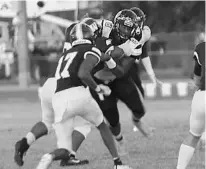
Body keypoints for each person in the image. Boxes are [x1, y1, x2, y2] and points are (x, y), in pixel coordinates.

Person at [14, 19, 125, 167]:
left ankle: (25, 142)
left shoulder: (72, 39)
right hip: (71, 87)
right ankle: (70, 156)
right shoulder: (95, 46)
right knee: (84, 124)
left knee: (47, 122)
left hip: (52, 84)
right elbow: (115, 58)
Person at [176, 41, 205, 169]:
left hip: (202, 96)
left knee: (193, 136)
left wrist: (197, 84)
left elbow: (197, 79)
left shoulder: (202, 47)